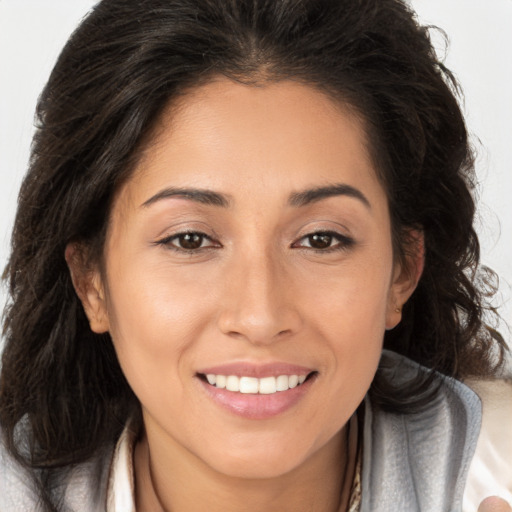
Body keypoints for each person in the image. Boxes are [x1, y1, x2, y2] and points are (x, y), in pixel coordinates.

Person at [0, 0, 510, 510]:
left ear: (402, 270)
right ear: (92, 282)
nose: (260, 316)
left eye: (321, 239)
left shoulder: (496, 474)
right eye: (190, 240)